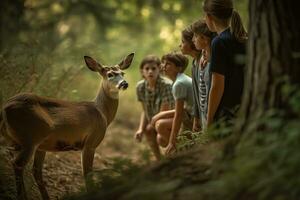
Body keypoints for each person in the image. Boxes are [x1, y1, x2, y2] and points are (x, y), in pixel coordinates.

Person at [203, 0, 248, 126]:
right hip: (245, 106)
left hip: (226, 112)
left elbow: (217, 85)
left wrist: (209, 117)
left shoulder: (219, 42)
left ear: (209, 17)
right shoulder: (243, 38)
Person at [151, 52, 193, 155]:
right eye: (163, 63)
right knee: (160, 138)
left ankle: (180, 149)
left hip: (193, 118)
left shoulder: (179, 83)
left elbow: (179, 114)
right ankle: (180, 148)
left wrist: (172, 141)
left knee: (160, 125)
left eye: (168, 64)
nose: (163, 66)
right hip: (188, 114)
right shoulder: (179, 80)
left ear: (179, 68)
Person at [135, 55, 174, 160]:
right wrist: (140, 129)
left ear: (159, 70)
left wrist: (149, 127)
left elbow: (165, 110)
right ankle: (159, 160)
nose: (150, 72)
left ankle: (172, 155)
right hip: (154, 120)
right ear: (142, 71)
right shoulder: (140, 87)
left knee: (158, 136)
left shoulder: (166, 85)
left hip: (169, 118)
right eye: (147, 69)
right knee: (146, 130)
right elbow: (145, 111)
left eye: (153, 68)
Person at [191, 20, 215, 131]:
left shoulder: (213, 64)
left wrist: (209, 118)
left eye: (195, 36)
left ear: (205, 39)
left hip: (211, 116)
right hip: (203, 113)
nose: (193, 40)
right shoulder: (202, 58)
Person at [179, 24, 202, 132]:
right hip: (196, 114)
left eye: (183, 42)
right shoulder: (194, 63)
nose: (180, 45)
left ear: (192, 43)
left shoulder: (204, 62)